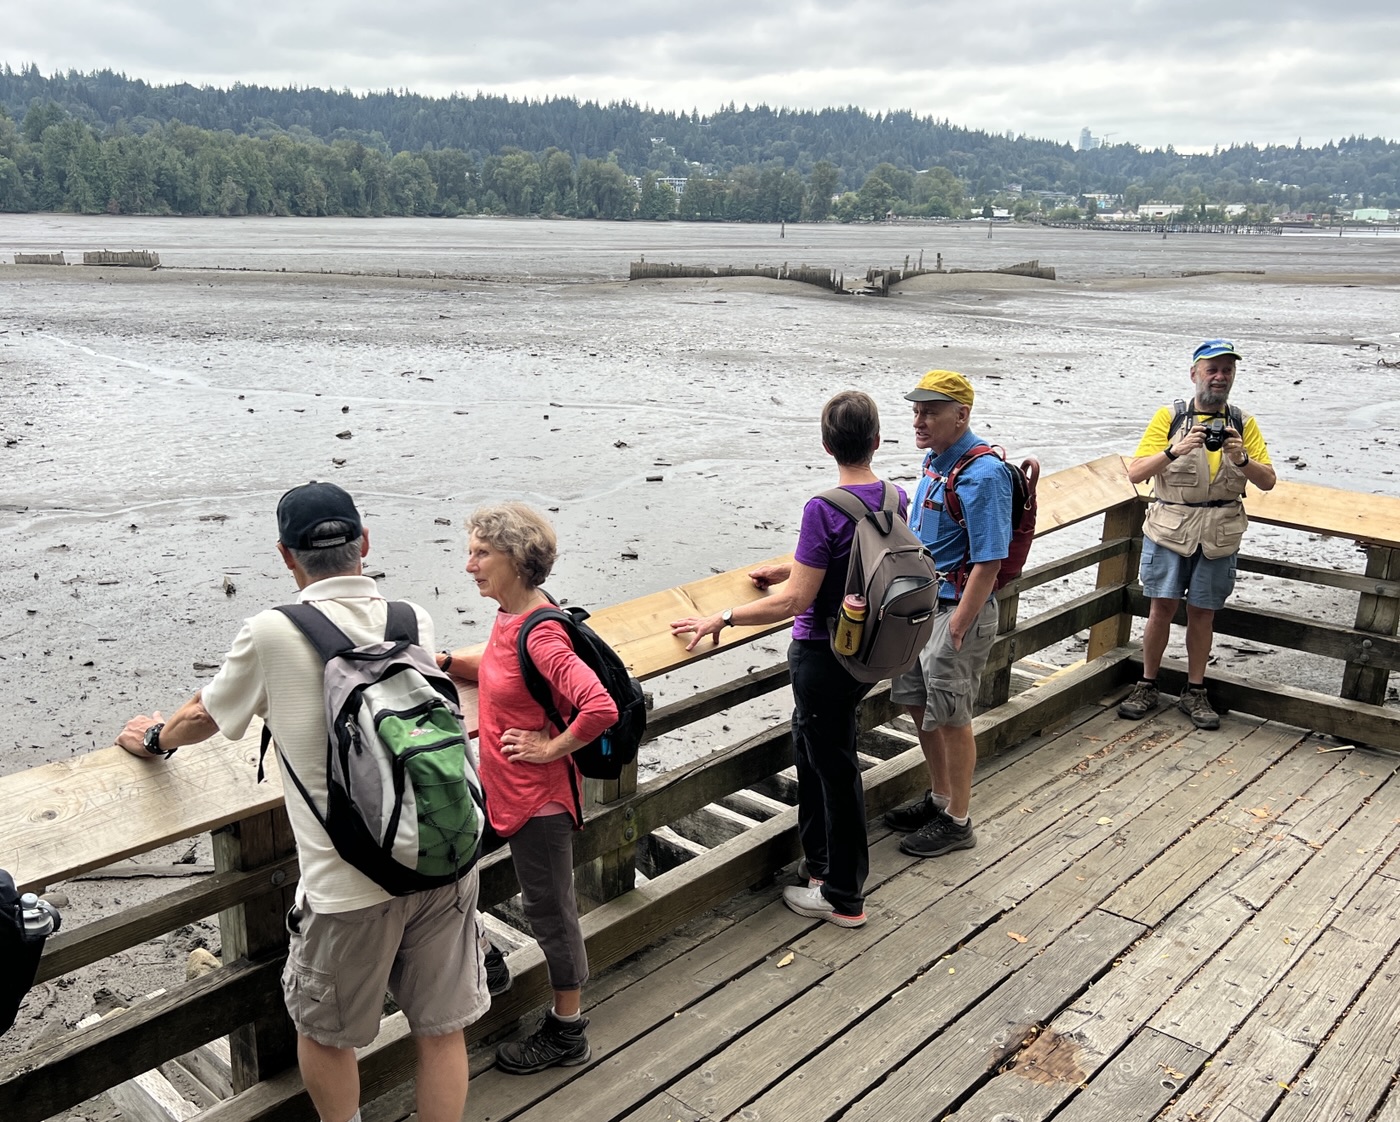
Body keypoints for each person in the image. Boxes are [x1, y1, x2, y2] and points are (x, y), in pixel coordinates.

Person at [116, 482, 487, 1122]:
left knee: (324, 1033)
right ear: (364, 543)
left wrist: (152, 740)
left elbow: (207, 714)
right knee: (440, 1027)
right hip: (442, 857)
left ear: (286, 556)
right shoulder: (412, 618)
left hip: (346, 888)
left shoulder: (272, 631)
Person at [670, 390, 905, 929]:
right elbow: (853, 561)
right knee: (821, 753)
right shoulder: (894, 497)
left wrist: (721, 618)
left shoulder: (822, 508)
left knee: (836, 768)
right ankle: (820, 868)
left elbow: (796, 602)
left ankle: (845, 896)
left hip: (823, 655)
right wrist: (790, 568)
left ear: (825, 444)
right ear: (875, 439)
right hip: (866, 649)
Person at [438, 503, 616, 1074]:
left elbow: (599, 706)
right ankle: (486, 959)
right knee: (443, 870)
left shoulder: (541, 634)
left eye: (481, 553)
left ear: (515, 560)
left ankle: (568, 1031)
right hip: (500, 793)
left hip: (538, 801)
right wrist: (441, 663)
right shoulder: (510, 617)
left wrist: (549, 748)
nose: (469, 565)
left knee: (550, 912)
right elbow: (497, 665)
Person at [882, 371, 1011, 859]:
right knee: (918, 703)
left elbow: (990, 560)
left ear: (962, 414)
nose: (919, 419)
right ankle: (939, 798)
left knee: (953, 716)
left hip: (957, 612)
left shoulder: (984, 474)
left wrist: (957, 627)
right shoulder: (934, 461)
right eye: (916, 410)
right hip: (921, 610)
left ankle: (958, 820)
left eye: (931, 411)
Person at [1118, 339, 1276, 729]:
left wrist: (1242, 458)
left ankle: (1195, 691)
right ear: (1195, 374)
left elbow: (1268, 481)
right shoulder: (1168, 418)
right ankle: (1147, 684)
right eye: (1212, 369)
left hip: (1220, 532)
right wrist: (1174, 450)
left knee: (1204, 613)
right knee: (1161, 607)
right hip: (1169, 528)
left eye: (1227, 370)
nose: (1220, 377)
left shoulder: (1243, 422)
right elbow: (1135, 473)